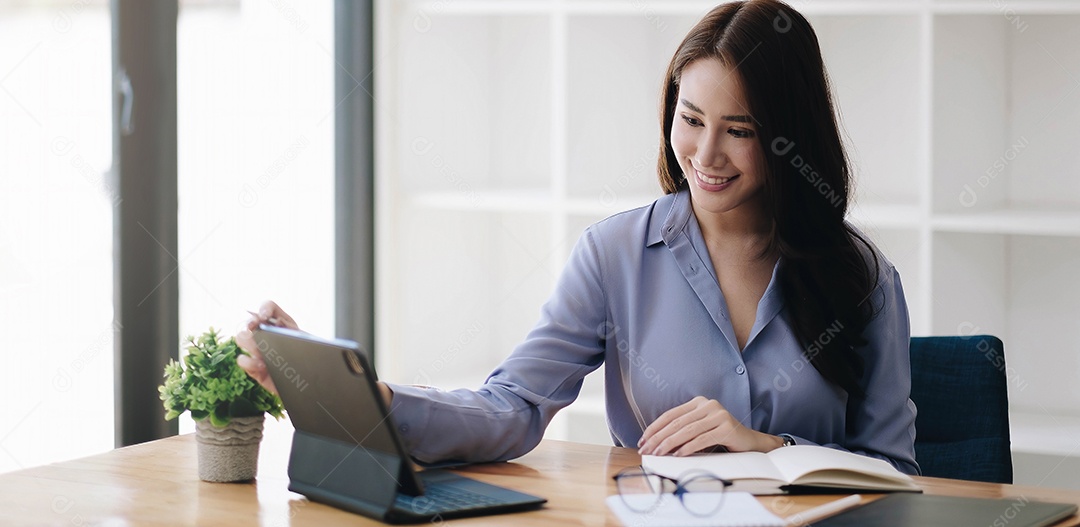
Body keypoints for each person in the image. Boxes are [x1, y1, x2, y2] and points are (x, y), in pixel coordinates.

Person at [237, 0, 920, 475]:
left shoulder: (860, 277)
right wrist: (372, 396)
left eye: (739, 130)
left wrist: (770, 444)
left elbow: (897, 472)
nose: (706, 153)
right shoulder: (615, 256)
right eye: (691, 119)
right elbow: (514, 407)